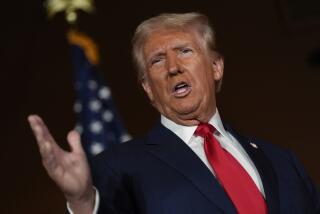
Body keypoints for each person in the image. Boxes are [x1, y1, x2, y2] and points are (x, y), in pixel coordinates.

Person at [28, 12, 320, 214]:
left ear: (216, 67)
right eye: (157, 60)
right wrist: (81, 201)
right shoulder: (119, 168)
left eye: (184, 51)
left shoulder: (283, 161)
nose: (172, 67)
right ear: (148, 89)